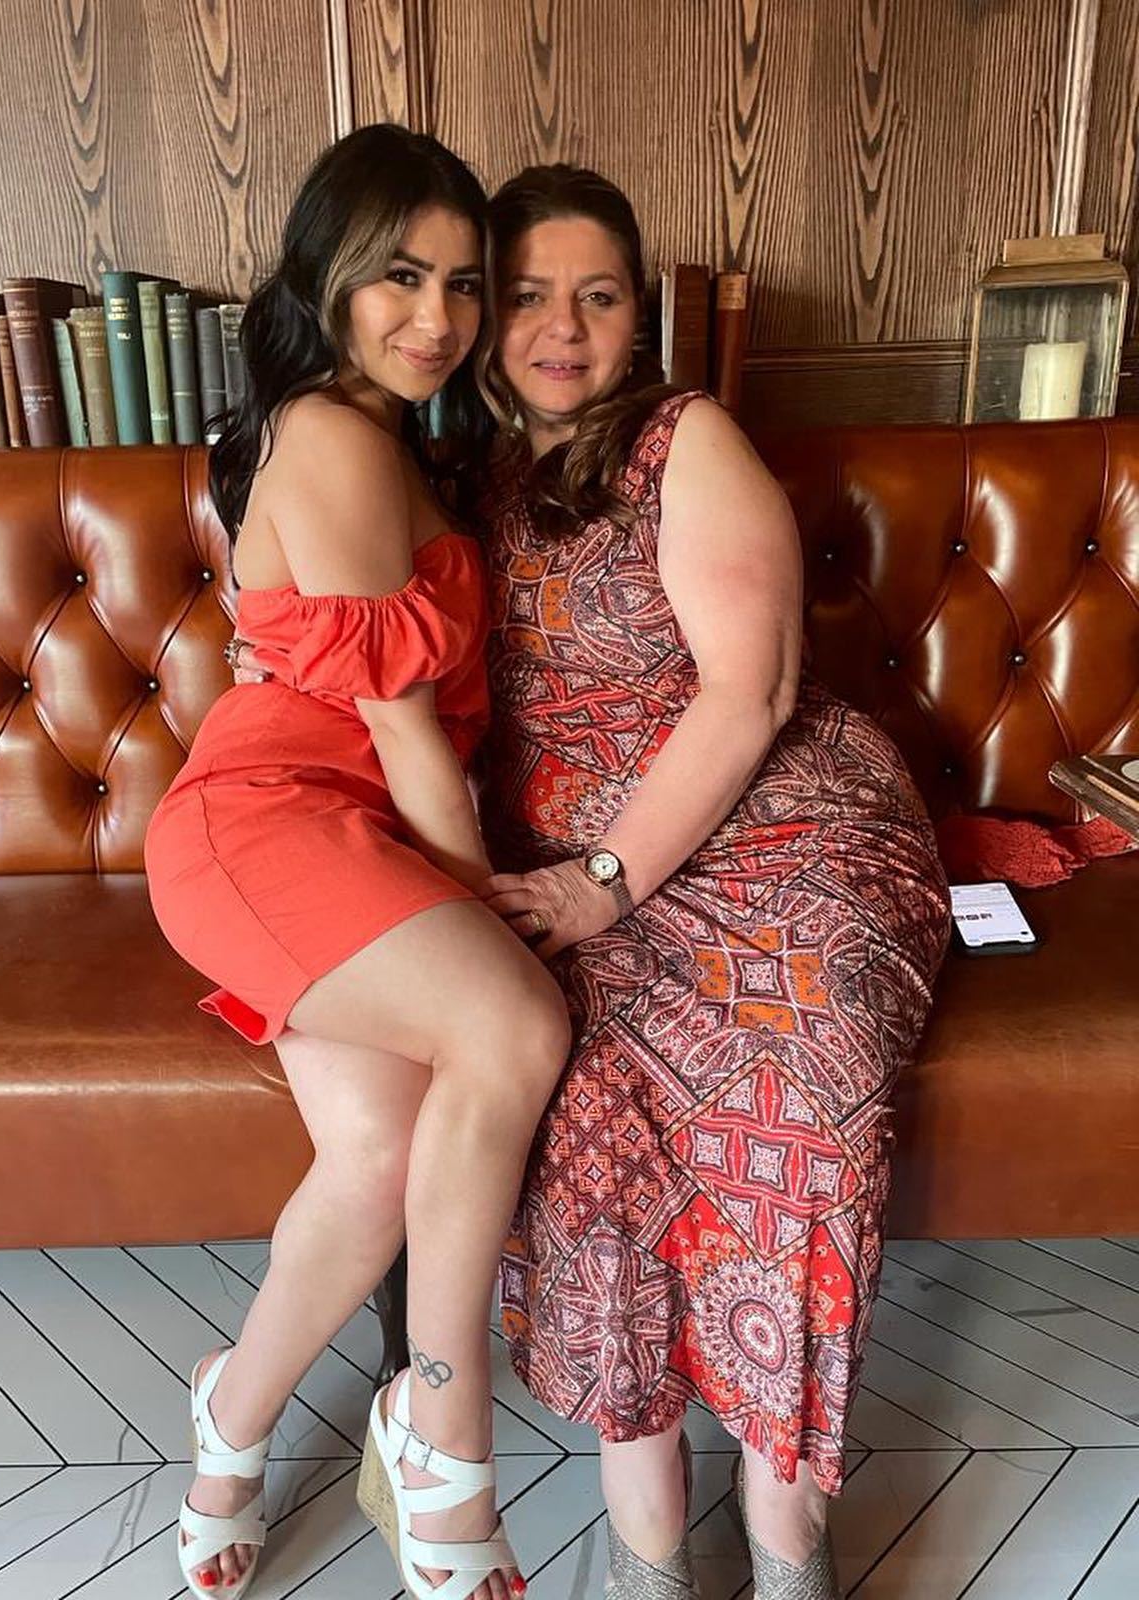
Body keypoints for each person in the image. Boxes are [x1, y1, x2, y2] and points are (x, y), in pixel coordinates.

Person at [472, 165, 952, 1599]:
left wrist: (603, 884)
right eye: (529, 295)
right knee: (584, 1096)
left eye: (599, 295)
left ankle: (786, 1525)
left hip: (779, 832)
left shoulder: (687, 442)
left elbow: (750, 695)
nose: (564, 328)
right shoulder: (461, 471)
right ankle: (650, 1543)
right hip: (571, 865)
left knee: (802, 1082)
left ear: (643, 315)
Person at [145, 124, 568, 1600]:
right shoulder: (329, 433)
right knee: (514, 1024)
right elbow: (397, 723)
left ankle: (230, 1418)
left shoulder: (400, 443)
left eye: (463, 283)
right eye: (400, 275)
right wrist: (484, 908)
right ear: (322, 275)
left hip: (356, 827)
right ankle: (442, 1431)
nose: (437, 317)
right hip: (272, 819)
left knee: (381, 1158)